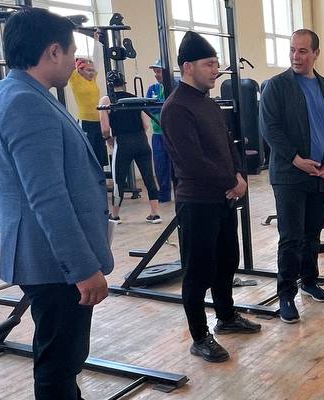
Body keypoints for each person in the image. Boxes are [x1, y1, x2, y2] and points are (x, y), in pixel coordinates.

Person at [0, 8, 133, 400]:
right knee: (58, 356)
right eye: (70, 52)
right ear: (53, 51)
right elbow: (46, 196)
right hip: (50, 258)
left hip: (49, 254)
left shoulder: (23, 94)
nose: (74, 62)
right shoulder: (24, 104)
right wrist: (82, 268)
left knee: (68, 348)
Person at [159, 32, 261, 363]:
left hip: (223, 197)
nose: (216, 70)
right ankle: (200, 337)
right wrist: (231, 180)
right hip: (197, 202)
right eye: (209, 64)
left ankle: (226, 316)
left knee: (227, 260)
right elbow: (192, 160)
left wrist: (239, 175)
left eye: (216, 63)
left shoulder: (208, 102)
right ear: (188, 67)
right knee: (198, 270)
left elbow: (227, 146)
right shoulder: (176, 107)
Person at [259, 28, 324, 324]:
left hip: (321, 174)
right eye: (292, 50)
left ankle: (309, 281)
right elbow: (270, 129)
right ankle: (286, 294)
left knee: (313, 233)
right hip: (289, 175)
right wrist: (296, 160)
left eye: (303, 51)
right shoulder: (276, 86)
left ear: (316, 53)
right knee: (291, 237)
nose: (296, 56)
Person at [99, 73, 162, 224]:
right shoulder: (134, 98)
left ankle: (115, 215)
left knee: (118, 180)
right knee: (149, 178)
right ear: (124, 83)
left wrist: (108, 139)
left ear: (109, 84)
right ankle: (155, 214)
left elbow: (105, 129)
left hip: (123, 142)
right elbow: (146, 125)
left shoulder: (106, 100)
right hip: (141, 141)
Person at [68, 55, 107, 169]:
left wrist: (95, 42)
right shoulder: (75, 78)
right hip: (85, 121)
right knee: (87, 153)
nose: (92, 73)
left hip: (98, 121)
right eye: (88, 70)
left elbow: (97, 61)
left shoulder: (93, 79)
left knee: (100, 154)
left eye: (92, 71)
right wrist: (78, 59)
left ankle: (101, 178)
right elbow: (69, 62)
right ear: (80, 70)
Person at [145, 60, 174, 208]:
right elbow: (149, 107)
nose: (156, 74)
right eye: (155, 72)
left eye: (159, 71)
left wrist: (160, 106)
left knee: (177, 164)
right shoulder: (152, 89)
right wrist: (161, 106)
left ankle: (181, 191)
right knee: (160, 165)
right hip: (157, 133)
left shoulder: (175, 86)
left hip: (173, 134)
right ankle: (164, 194)